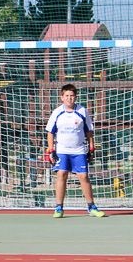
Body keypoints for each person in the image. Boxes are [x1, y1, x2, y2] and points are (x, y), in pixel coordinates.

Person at [45, 83, 105, 218]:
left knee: (83, 176)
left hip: (79, 150)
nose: (69, 98)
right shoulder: (57, 112)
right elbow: (50, 132)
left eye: (72, 96)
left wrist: (91, 147)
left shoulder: (82, 111)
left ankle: (92, 207)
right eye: (66, 96)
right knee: (62, 174)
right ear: (62, 97)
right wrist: (50, 149)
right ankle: (59, 208)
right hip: (62, 150)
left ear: (75, 97)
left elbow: (89, 131)